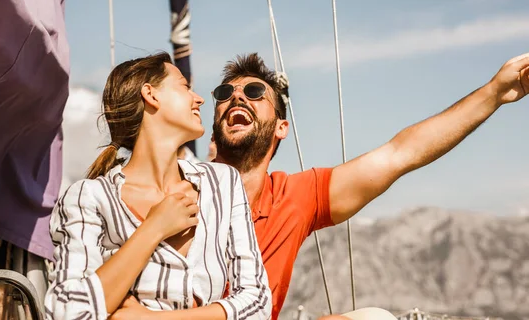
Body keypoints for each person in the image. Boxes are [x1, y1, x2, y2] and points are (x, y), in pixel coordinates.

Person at [209, 52, 529, 319]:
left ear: (282, 127)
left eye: (254, 92)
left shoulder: (295, 197)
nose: (236, 95)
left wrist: (495, 93)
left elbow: (401, 153)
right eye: (224, 94)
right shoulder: (184, 189)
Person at [45, 53, 271, 320]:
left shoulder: (223, 182)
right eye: (184, 87)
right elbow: (66, 312)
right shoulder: (88, 197)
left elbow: (257, 302)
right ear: (151, 95)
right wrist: (153, 228)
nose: (198, 99)